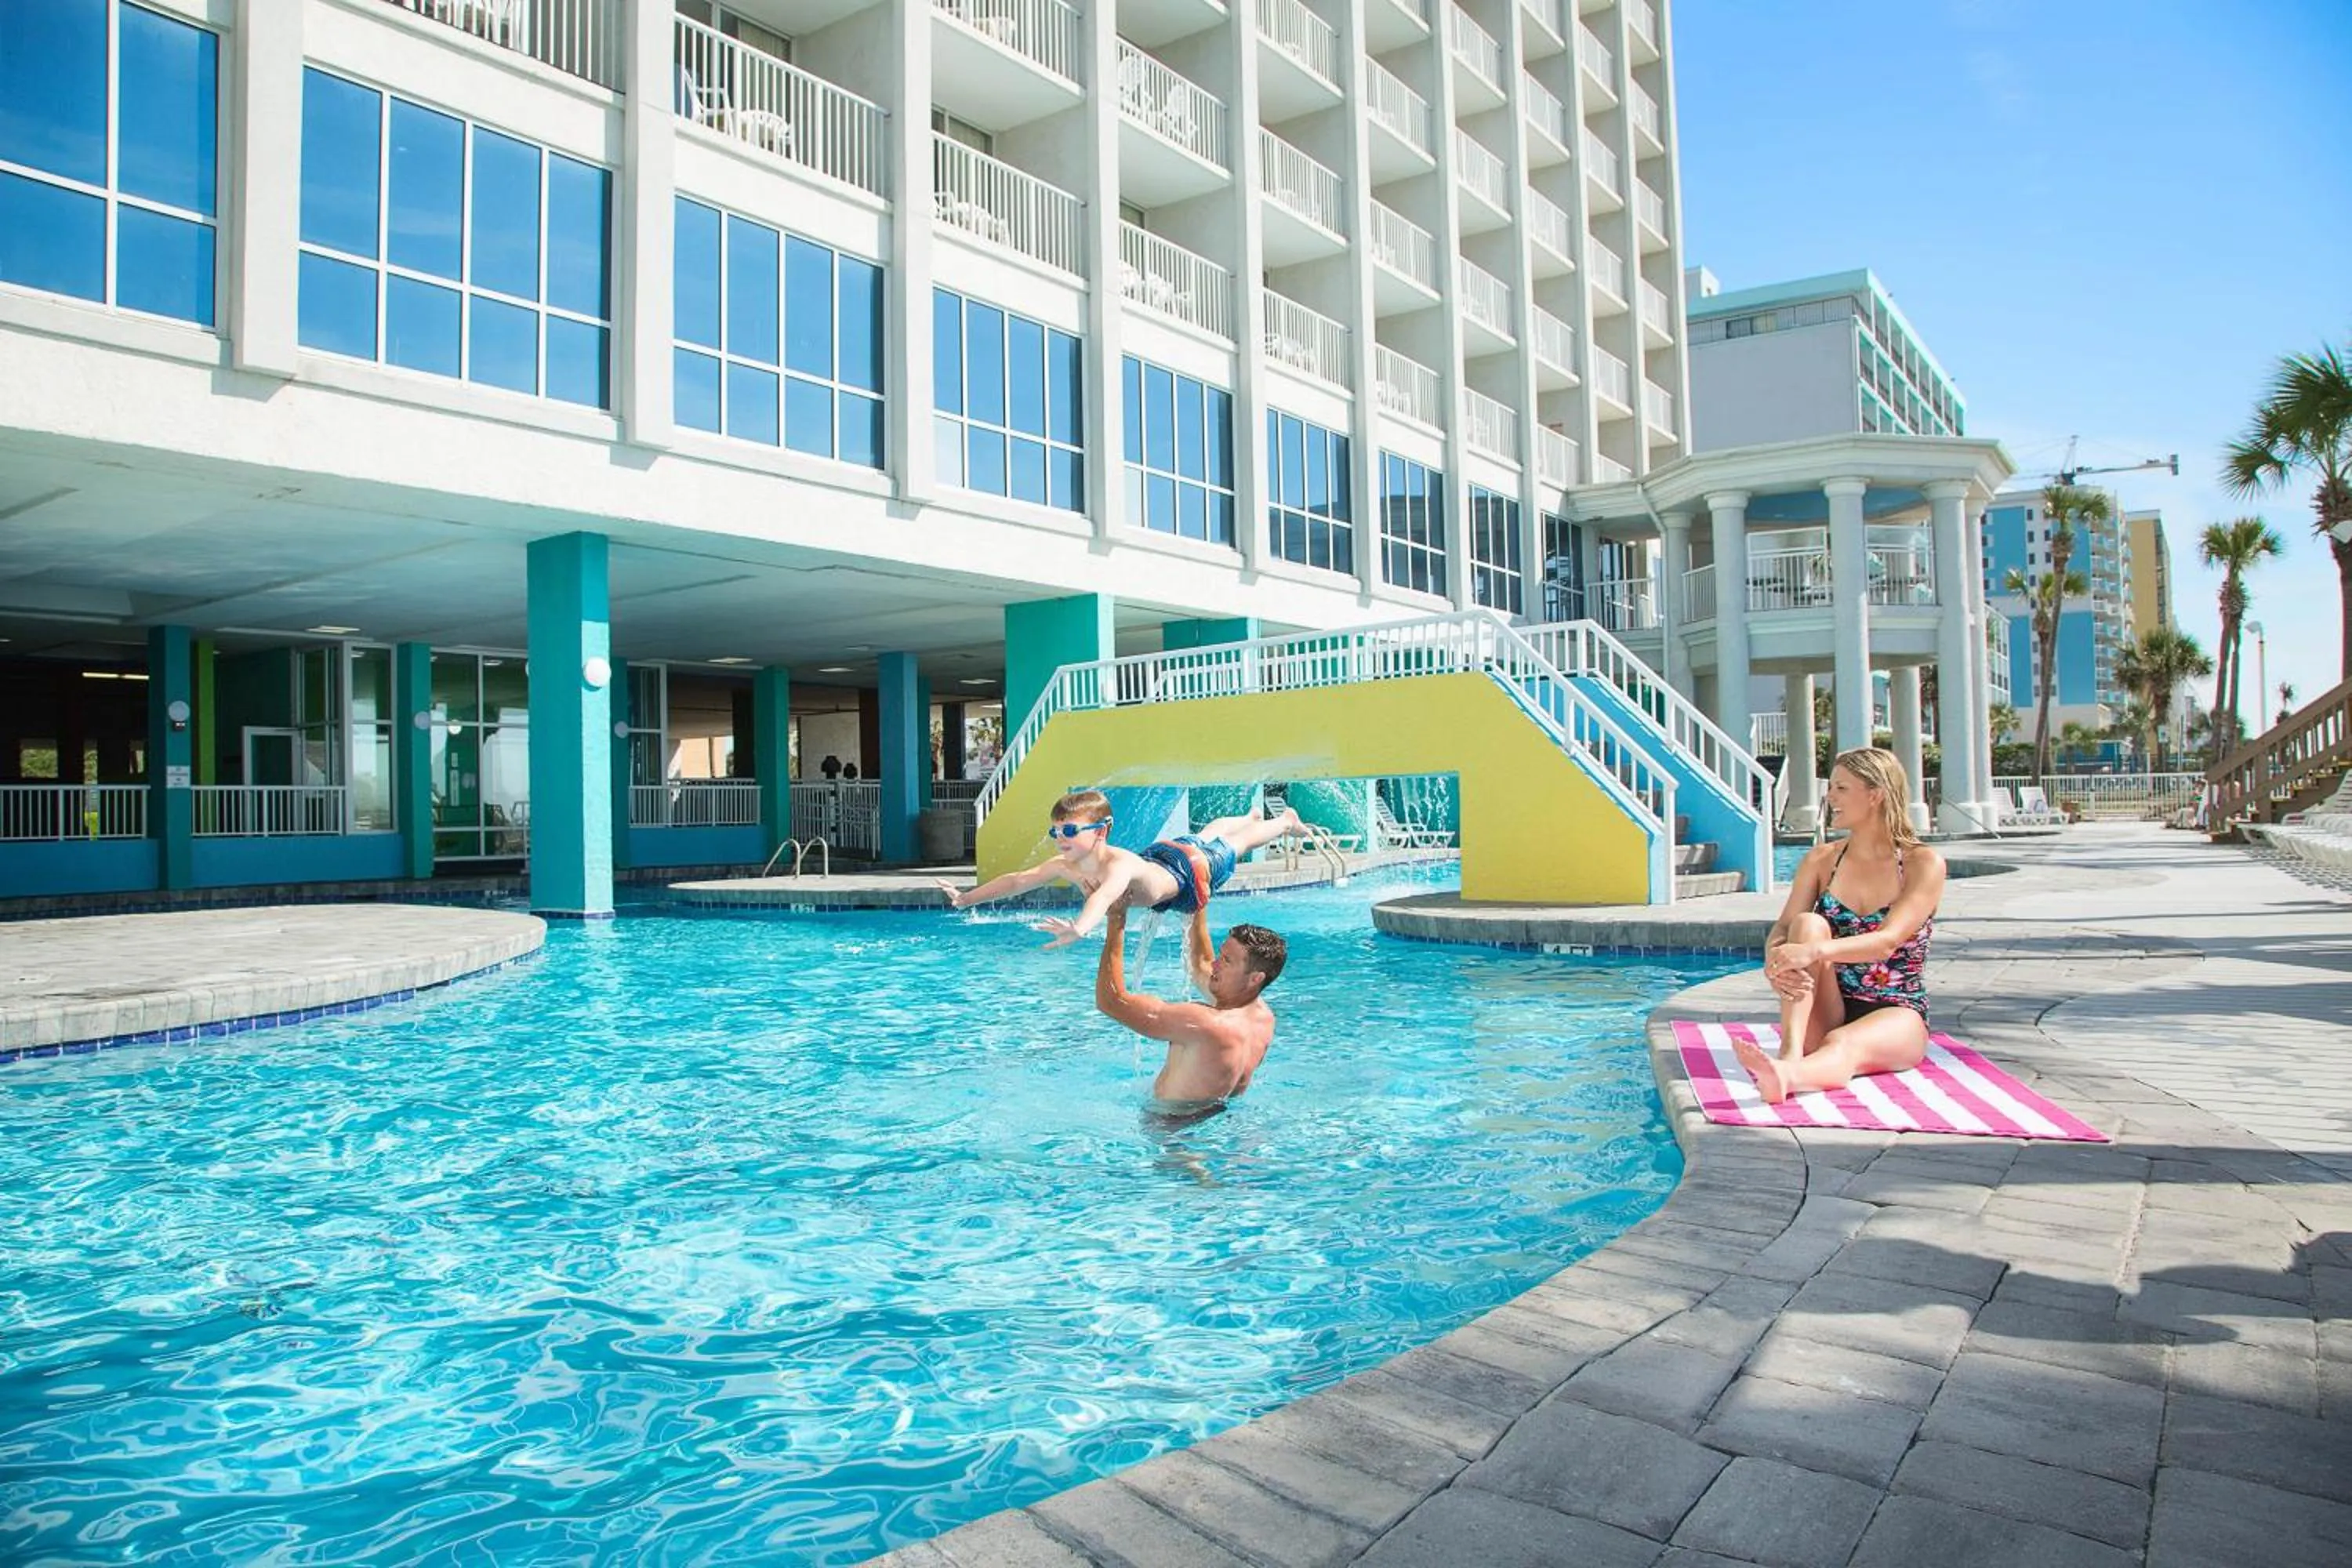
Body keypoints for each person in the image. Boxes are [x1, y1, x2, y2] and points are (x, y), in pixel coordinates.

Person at [1735, 746, 1947, 1105]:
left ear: (1876, 795)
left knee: (1843, 1043)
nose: (1829, 797)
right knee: (1806, 923)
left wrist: (1813, 951)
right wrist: (1776, 961)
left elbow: (1886, 941)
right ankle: (1790, 1052)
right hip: (1824, 1008)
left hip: (1895, 1011)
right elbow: (1785, 927)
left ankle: (1788, 1076)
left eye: (1841, 788)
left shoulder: (1921, 863)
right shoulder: (1822, 861)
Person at [936, 789, 1303, 947]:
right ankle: (1246, 815)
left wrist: (1080, 928)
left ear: (1102, 831)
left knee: (1233, 844)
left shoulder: (1119, 865)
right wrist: (966, 899)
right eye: (1055, 831)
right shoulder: (1067, 864)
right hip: (1162, 856)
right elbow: (1018, 880)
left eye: (1068, 831)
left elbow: (1107, 896)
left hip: (1190, 874)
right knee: (1204, 834)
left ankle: (1283, 820)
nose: (1059, 838)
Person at [1095, 901, 1283, 1114]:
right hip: (1216, 1123)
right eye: (1220, 955)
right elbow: (1201, 963)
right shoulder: (1264, 1018)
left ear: (1255, 979)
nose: (1215, 964)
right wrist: (1197, 899)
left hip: (1172, 1133)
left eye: (1227, 961)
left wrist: (1116, 919)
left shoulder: (1204, 1023)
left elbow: (1110, 1001)